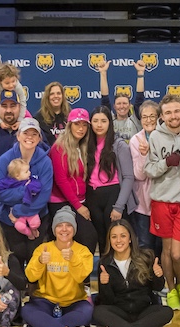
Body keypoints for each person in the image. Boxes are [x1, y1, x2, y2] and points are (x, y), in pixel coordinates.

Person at [143, 94, 180, 310]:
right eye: (168, 112)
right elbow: (148, 170)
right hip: (162, 201)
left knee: (179, 253)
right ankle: (172, 289)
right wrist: (165, 163)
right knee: (167, 251)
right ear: (162, 116)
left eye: (176, 111)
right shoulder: (156, 137)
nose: (173, 116)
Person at [21, 206, 97, 327]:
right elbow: (31, 276)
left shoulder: (83, 251)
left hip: (73, 302)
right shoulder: (43, 249)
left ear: (74, 228)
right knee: (26, 311)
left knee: (87, 311)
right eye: (59, 225)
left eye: (68, 225)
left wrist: (73, 259)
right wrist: (39, 261)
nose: (64, 229)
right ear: (54, 229)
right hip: (45, 301)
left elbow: (81, 277)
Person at [93, 220, 171, 327]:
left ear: (130, 239)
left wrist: (159, 276)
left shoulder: (145, 257)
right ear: (109, 240)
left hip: (144, 311)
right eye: (114, 237)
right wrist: (105, 284)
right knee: (98, 312)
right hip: (120, 312)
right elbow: (107, 300)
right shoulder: (105, 263)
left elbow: (157, 288)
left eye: (123, 236)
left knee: (167, 312)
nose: (118, 240)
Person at [0, 118, 53, 263]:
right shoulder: (5, 159)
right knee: (15, 259)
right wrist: (24, 191)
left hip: (36, 218)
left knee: (35, 259)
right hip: (9, 220)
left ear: (39, 138)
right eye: (26, 133)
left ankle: (33, 286)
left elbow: (44, 195)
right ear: (18, 136)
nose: (29, 138)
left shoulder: (45, 162)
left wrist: (19, 210)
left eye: (34, 134)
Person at [0, 91, 47, 195]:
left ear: (20, 107)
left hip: (30, 197)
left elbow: (44, 161)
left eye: (13, 105)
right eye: (4, 106)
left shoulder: (33, 132)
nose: (8, 110)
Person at [84, 106, 136, 252]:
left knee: (115, 240)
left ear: (110, 123)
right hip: (92, 196)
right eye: (95, 121)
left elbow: (128, 177)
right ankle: (104, 273)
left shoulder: (118, 145)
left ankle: (117, 273)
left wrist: (119, 206)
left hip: (112, 195)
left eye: (103, 121)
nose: (99, 125)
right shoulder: (85, 144)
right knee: (100, 240)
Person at [48, 108, 99, 252]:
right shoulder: (59, 147)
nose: (81, 128)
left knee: (86, 241)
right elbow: (61, 180)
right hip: (62, 202)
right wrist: (78, 206)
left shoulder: (82, 146)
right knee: (88, 237)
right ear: (69, 125)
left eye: (84, 125)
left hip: (80, 200)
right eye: (77, 124)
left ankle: (80, 273)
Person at [0, 158, 42, 239]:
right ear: (17, 175)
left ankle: (33, 229)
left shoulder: (31, 180)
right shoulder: (7, 182)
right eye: (26, 171)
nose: (30, 173)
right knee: (20, 226)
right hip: (15, 212)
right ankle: (29, 234)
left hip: (29, 208)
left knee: (35, 223)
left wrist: (30, 188)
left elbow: (38, 186)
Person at [128, 101, 161, 252]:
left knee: (163, 246)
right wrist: (144, 155)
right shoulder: (136, 140)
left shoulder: (166, 137)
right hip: (144, 205)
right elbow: (139, 175)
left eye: (152, 116)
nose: (148, 120)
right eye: (144, 117)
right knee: (145, 246)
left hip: (164, 201)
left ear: (159, 117)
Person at [99, 59, 146, 142]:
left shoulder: (135, 120)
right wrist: (103, 73)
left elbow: (139, 98)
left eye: (124, 103)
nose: (122, 106)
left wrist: (140, 74)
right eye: (119, 103)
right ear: (114, 106)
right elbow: (104, 98)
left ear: (129, 105)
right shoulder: (110, 120)